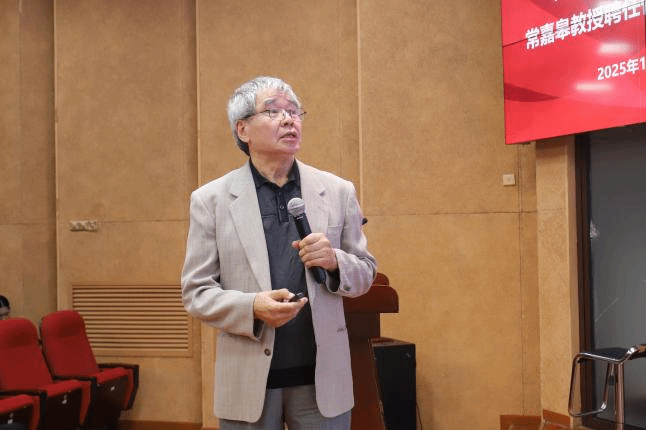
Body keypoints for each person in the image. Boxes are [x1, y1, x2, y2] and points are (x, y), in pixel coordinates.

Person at [181, 76, 377, 430]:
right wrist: (251, 307)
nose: (289, 120)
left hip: (322, 382)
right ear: (243, 129)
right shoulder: (210, 200)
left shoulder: (338, 191)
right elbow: (196, 293)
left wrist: (335, 262)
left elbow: (365, 272)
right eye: (273, 111)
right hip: (248, 380)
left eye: (294, 111)